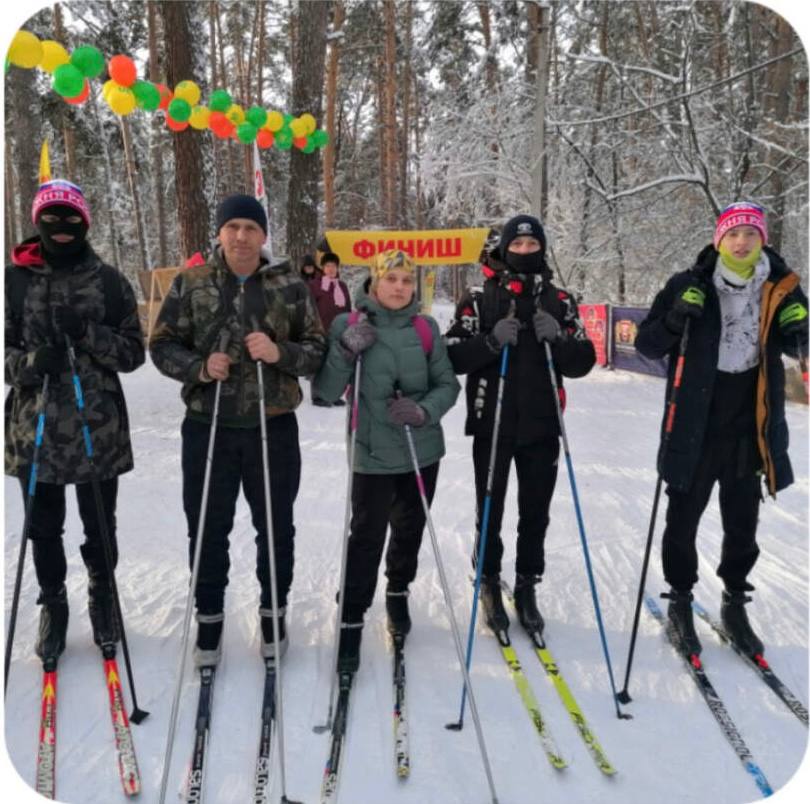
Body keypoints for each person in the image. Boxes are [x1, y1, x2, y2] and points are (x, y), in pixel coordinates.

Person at [150, 194, 327, 666]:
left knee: (275, 527)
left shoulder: (289, 284)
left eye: (251, 227)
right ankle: (209, 621)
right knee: (207, 526)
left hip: (273, 425)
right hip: (209, 427)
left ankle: (274, 614)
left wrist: (279, 353)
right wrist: (199, 367)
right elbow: (162, 345)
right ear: (220, 233)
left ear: (264, 235)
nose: (242, 237)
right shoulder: (193, 282)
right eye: (233, 228)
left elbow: (316, 349)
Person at [635, 202, 808, 658]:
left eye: (751, 233)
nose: (742, 242)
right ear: (719, 239)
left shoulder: (781, 288)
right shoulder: (688, 284)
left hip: (751, 423)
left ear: (762, 239)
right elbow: (647, 344)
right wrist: (675, 318)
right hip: (695, 421)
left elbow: (800, 347)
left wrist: (801, 328)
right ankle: (680, 600)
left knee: (743, 522)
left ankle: (734, 603)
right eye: (733, 234)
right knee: (683, 519)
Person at [4, 179, 145, 666]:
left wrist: (88, 334)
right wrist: (30, 362)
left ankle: (103, 597)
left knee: (100, 524)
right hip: (35, 428)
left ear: (85, 223)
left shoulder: (108, 280)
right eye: (51, 220)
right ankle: (53, 603)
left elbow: (132, 353)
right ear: (35, 221)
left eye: (71, 221)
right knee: (43, 527)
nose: (61, 230)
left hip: (96, 427)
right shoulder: (13, 281)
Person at [445, 214, 595, 638]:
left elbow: (583, 361)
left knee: (535, 512)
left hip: (543, 423)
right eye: (518, 245)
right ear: (505, 248)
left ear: (542, 249)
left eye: (532, 246)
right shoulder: (478, 297)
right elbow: (452, 356)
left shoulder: (560, 300)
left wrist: (560, 340)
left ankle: (528, 583)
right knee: (489, 509)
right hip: (493, 422)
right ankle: (489, 578)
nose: (525, 252)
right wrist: (490, 341)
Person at [314, 249, 460, 672]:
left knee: (410, 527)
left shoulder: (426, 327)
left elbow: (448, 384)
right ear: (375, 282)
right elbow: (324, 390)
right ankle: (352, 614)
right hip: (371, 452)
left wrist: (423, 411)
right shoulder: (349, 324)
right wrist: (344, 350)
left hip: (421, 449)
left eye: (406, 281)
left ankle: (398, 592)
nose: (399, 287)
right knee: (366, 536)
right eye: (391, 279)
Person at [309, 252, 352, 407]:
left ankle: (333, 394)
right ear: (322, 268)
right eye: (328, 266)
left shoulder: (342, 286)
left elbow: (348, 308)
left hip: (339, 331)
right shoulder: (315, 285)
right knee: (320, 362)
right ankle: (317, 396)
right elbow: (310, 308)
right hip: (320, 330)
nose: (331, 269)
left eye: (334, 266)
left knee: (336, 364)